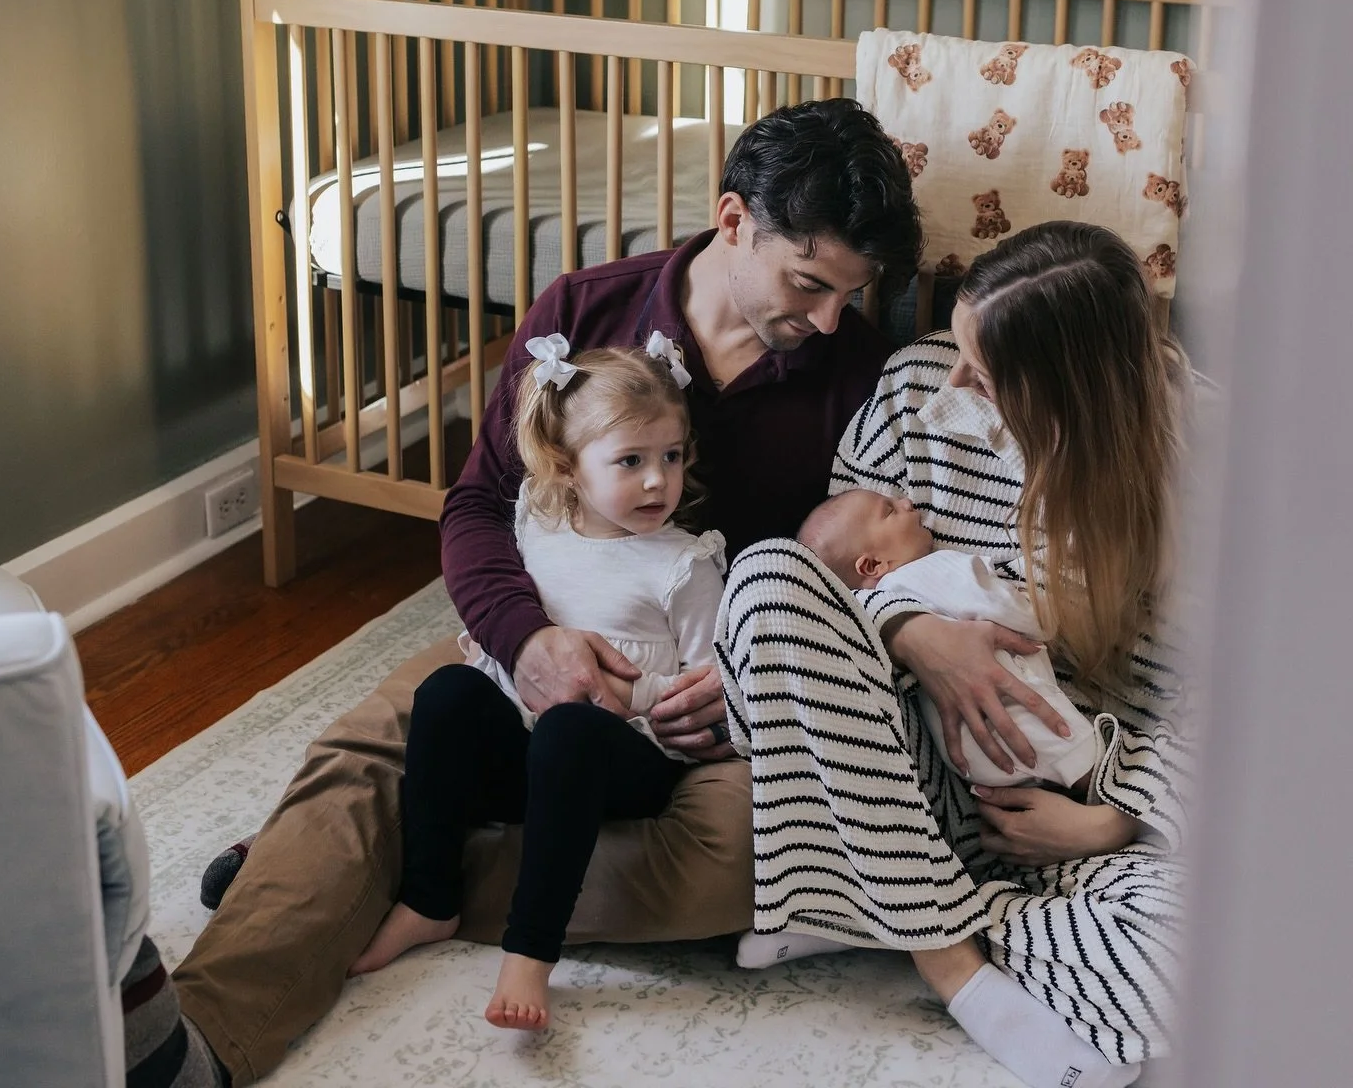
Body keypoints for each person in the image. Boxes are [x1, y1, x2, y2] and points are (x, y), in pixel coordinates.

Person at [139, 97, 920, 1087]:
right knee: (368, 751)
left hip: (699, 705)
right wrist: (525, 642)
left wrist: (749, 674)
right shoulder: (584, 311)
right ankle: (201, 1044)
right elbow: (475, 508)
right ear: (733, 221)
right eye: (808, 285)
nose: (827, 319)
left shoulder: (856, 374)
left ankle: (388, 864)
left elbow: (870, 566)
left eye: (848, 295)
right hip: (541, 651)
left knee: (761, 854)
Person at [716, 223, 1188, 1088]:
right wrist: (911, 633)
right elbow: (832, 573)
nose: (951, 379)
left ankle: (879, 901)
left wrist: (1114, 817)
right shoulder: (917, 388)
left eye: (983, 373)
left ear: (1067, 392)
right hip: (891, 763)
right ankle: (954, 969)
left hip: (1069, 816)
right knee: (764, 576)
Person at [351, 341, 725, 1030]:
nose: (657, 483)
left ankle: (530, 949)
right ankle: (430, 899)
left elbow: (709, 680)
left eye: (672, 456)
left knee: (570, 729)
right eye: (631, 462)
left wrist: (633, 697)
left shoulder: (682, 564)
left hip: (618, 761)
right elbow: (511, 641)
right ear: (567, 467)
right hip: (525, 760)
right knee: (445, 694)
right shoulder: (536, 522)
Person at [792, 490, 1099, 798]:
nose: (907, 503)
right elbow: (1005, 605)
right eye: (889, 511)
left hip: (970, 755)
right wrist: (1036, 607)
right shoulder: (926, 570)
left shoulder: (878, 608)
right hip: (1007, 714)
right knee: (1084, 757)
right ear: (872, 566)